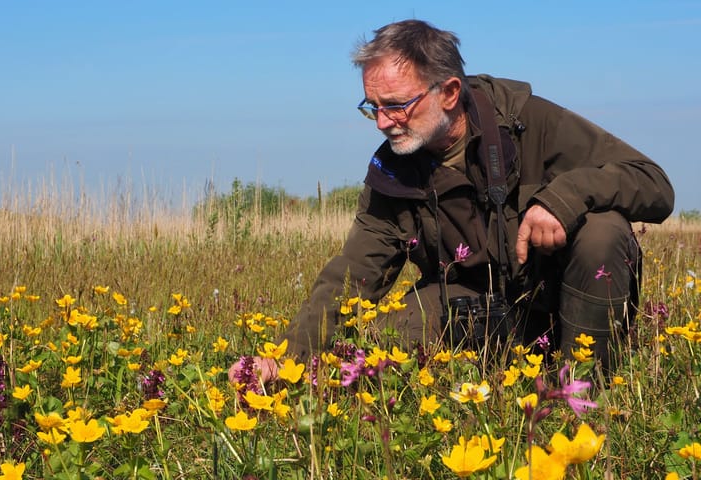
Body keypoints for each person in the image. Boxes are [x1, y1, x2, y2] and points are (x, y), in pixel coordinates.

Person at [230, 19, 674, 382]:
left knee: (603, 231)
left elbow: (653, 182)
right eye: (372, 107)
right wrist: (284, 361)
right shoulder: (393, 170)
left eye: (397, 105)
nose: (383, 122)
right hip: (469, 307)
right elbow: (352, 274)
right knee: (370, 357)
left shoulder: (529, 122)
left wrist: (563, 198)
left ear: (449, 92)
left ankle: (585, 390)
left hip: (560, 302)